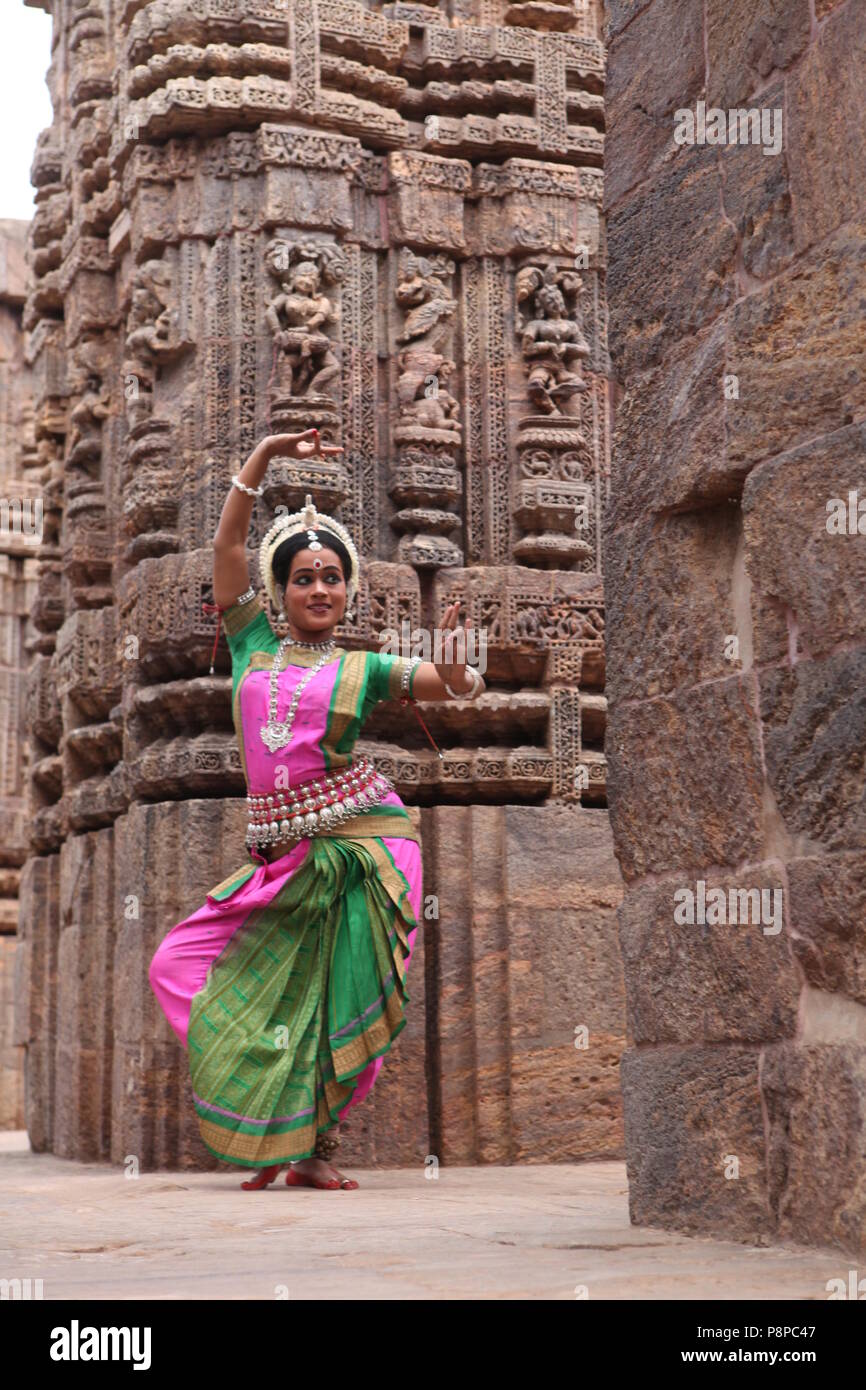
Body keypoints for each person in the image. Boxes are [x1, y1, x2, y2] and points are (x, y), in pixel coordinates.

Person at [148, 428, 485, 1191]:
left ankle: (314, 1149)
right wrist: (263, 456)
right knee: (177, 964)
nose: (320, 590)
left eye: (333, 578)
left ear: (348, 590)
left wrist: (463, 672)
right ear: (280, 590)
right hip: (279, 854)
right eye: (304, 579)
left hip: (359, 845)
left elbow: (449, 688)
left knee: (337, 993)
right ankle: (272, 1125)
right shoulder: (250, 644)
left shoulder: (363, 669)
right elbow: (226, 548)